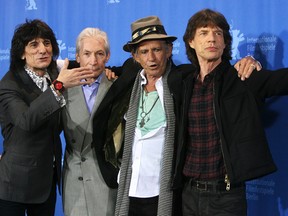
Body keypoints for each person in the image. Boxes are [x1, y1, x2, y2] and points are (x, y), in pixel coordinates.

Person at [89, 16, 261, 216]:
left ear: (169, 50)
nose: (151, 58)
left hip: (167, 192)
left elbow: (215, 67)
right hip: (129, 190)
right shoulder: (129, 77)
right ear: (135, 57)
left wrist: (249, 61)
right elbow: (92, 68)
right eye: (144, 52)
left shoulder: (184, 79)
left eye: (157, 50)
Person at [173, 8, 288, 216]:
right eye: (204, 33)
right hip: (188, 195)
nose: (212, 39)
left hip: (226, 198)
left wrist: (253, 62)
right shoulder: (183, 80)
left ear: (225, 43)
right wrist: (112, 71)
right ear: (191, 41)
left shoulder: (242, 78)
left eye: (218, 34)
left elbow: (282, 81)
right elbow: (148, 66)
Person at [0, 19, 95, 216]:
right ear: (21, 53)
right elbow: (27, 121)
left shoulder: (53, 71)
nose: (42, 50)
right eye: (33, 45)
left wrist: (111, 72)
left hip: (46, 183)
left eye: (47, 43)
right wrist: (58, 86)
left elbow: (92, 65)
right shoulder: (10, 84)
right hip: (14, 185)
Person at [61, 27, 117, 216]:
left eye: (99, 54)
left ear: (107, 56)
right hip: (74, 183)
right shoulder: (62, 89)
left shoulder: (117, 89)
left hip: (105, 183)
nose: (93, 61)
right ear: (77, 56)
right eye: (87, 54)